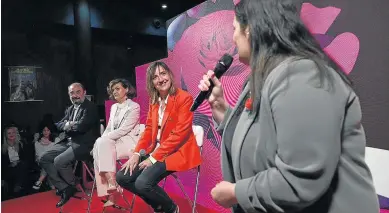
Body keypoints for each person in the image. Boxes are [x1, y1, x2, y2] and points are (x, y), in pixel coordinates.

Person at [197, 0, 380, 212]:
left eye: (234, 29)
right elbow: (259, 140)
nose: (233, 38)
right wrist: (222, 110)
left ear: (251, 30)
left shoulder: (299, 76)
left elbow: (299, 179)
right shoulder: (260, 79)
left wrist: (236, 193)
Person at [116, 61, 201, 213]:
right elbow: (149, 130)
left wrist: (153, 158)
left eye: (163, 74)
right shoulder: (154, 101)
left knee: (142, 183)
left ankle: (171, 208)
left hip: (177, 151)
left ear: (169, 75)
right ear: (152, 83)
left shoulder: (184, 98)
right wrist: (136, 153)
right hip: (156, 150)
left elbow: (179, 135)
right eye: (155, 77)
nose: (160, 79)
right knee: (122, 177)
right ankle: (160, 207)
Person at [39, 82, 100, 208]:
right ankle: (65, 187)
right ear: (69, 94)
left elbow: (82, 127)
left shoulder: (91, 107)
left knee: (59, 161)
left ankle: (73, 185)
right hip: (69, 142)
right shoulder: (70, 108)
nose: (75, 95)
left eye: (78, 92)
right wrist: (69, 124)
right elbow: (58, 124)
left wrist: (68, 125)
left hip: (84, 144)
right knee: (43, 158)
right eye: (72, 93)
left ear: (84, 92)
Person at [92, 78, 141, 207]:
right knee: (100, 145)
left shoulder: (134, 106)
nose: (114, 91)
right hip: (114, 141)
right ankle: (112, 184)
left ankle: (112, 193)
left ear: (126, 89)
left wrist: (103, 140)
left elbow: (124, 129)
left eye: (117, 88)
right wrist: (100, 141)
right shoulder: (114, 107)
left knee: (100, 148)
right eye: (113, 89)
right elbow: (109, 127)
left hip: (129, 142)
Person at [1, 126, 31, 198]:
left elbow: (27, 158)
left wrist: (18, 162)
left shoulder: (21, 144)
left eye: (13, 132)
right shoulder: (2, 148)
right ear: (5, 135)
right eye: (9, 133)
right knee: (21, 169)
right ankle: (18, 186)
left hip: (20, 167)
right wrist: (11, 164)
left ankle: (17, 186)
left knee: (22, 165)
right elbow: (2, 165)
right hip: (9, 170)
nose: (11, 134)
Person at [32, 125, 61, 190]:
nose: (46, 132)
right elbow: (39, 155)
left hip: (54, 160)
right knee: (47, 163)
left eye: (48, 130)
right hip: (41, 160)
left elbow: (57, 152)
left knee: (49, 164)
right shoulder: (37, 142)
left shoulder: (56, 140)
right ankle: (53, 187)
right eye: (44, 130)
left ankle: (40, 181)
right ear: (41, 131)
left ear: (50, 131)